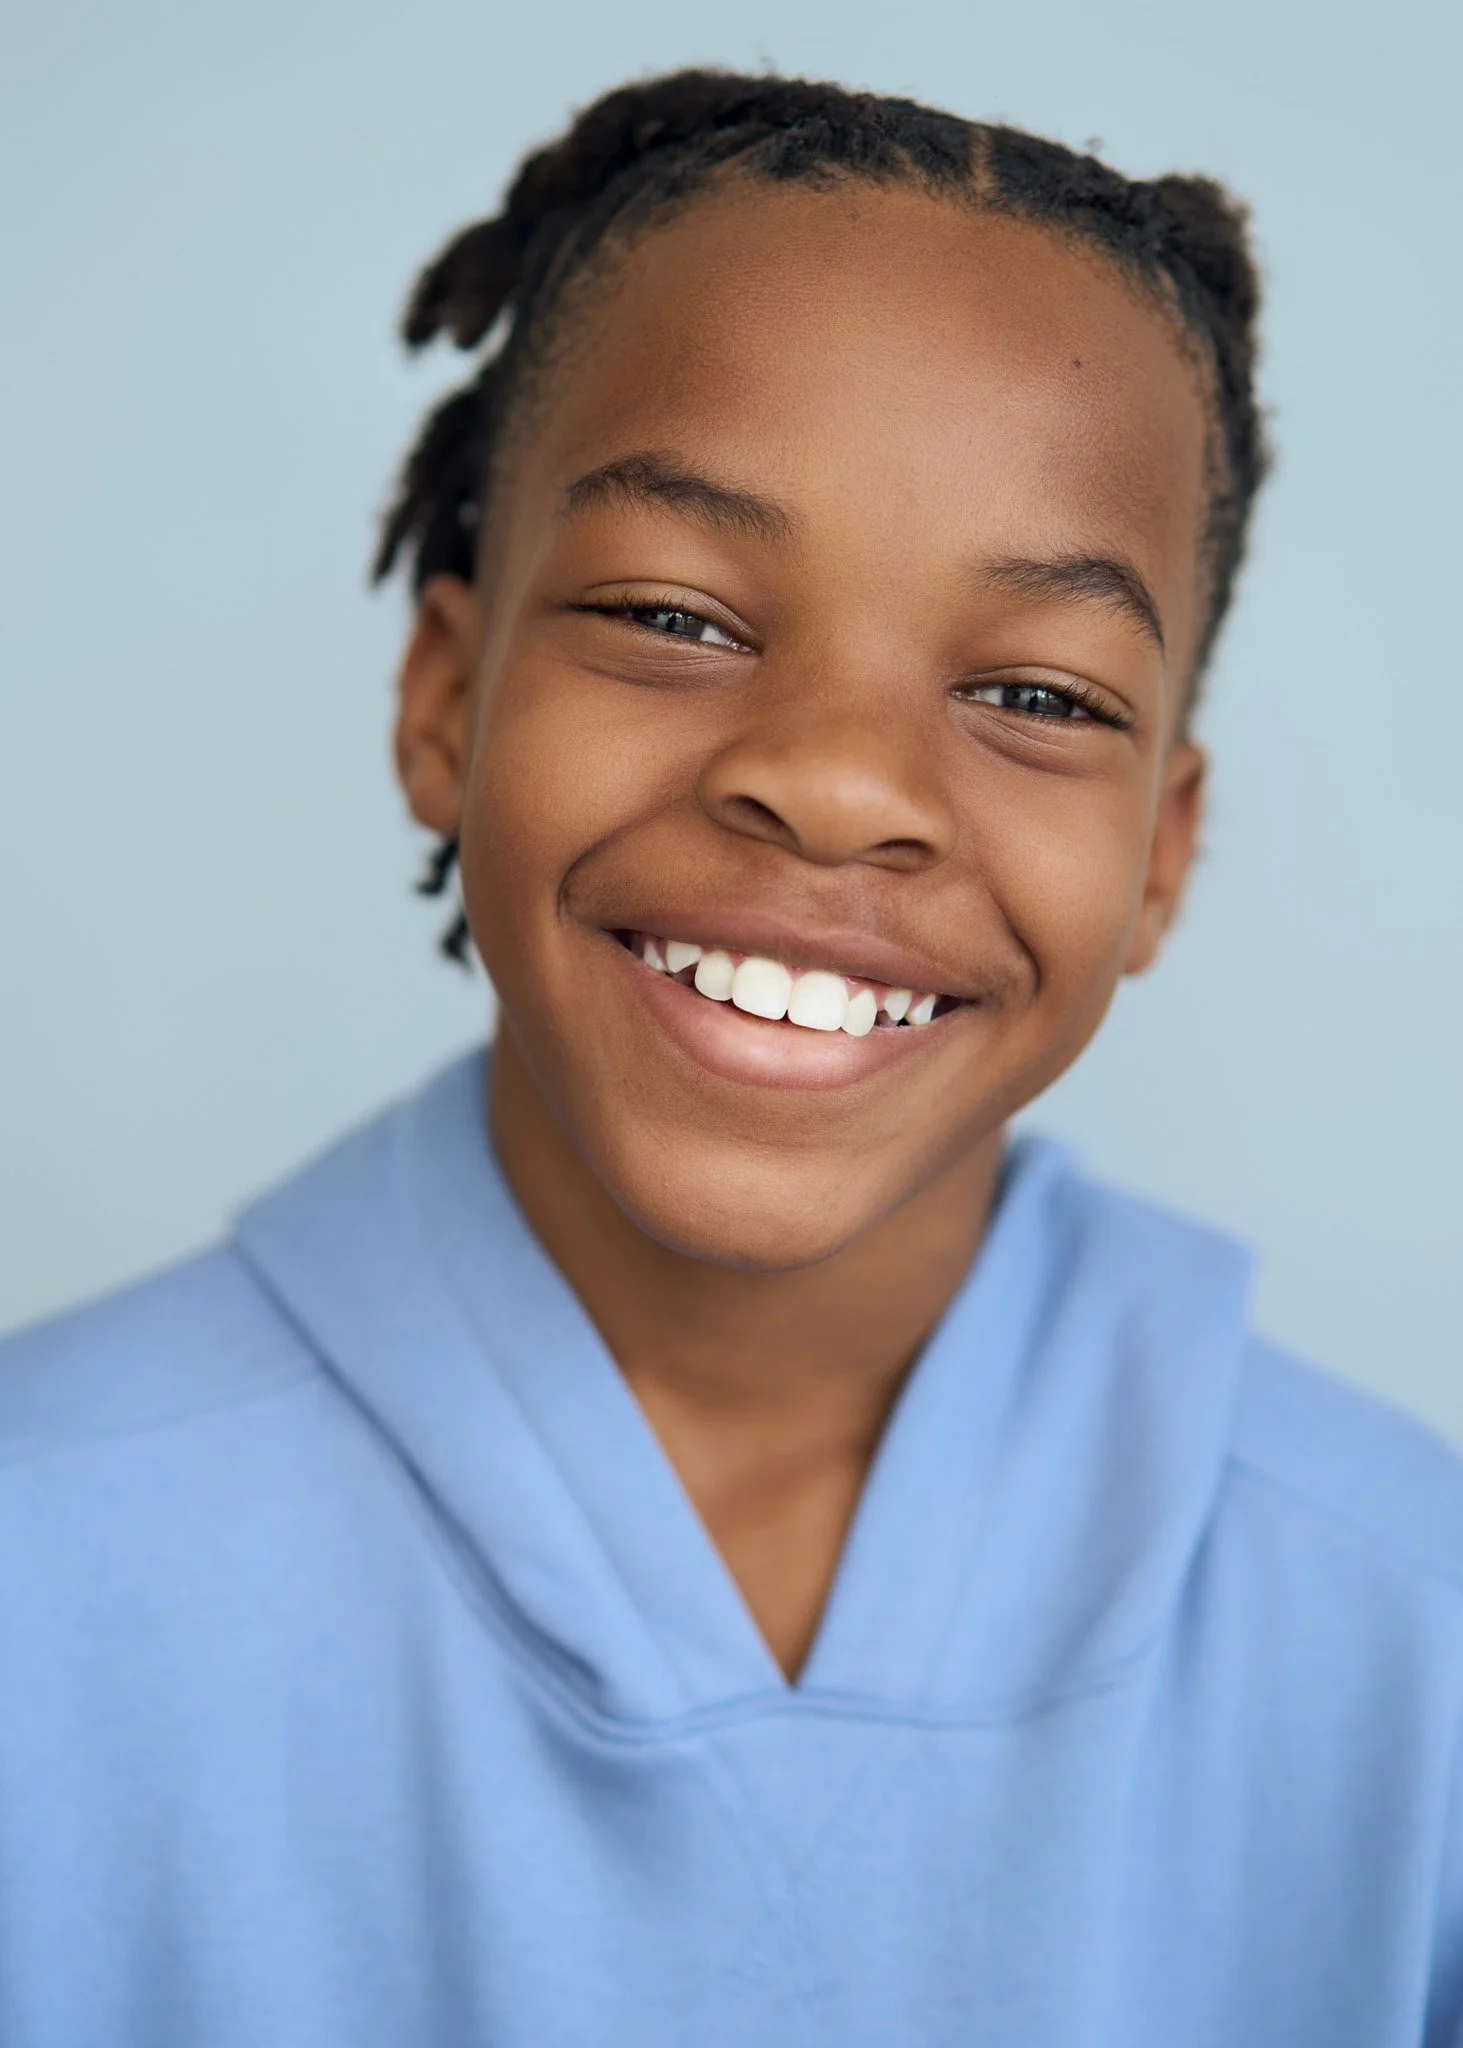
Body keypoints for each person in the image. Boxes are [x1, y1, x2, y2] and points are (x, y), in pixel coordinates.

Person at [2, 68, 1460, 2048]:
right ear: (446, 696)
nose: (839, 785)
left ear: (1162, 855)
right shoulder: (44, 1555)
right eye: (675, 615)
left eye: (1033, 690)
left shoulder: (1406, 1622)